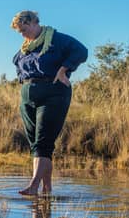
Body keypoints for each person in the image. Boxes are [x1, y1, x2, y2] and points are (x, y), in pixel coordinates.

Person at [11, 11, 87, 195]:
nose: (23, 34)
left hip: (53, 93)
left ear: (35, 22)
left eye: (24, 29)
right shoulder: (26, 48)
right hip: (29, 97)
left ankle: (33, 185)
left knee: (43, 143)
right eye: (20, 32)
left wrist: (63, 69)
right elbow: (17, 64)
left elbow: (81, 51)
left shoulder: (57, 40)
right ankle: (47, 188)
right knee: (37, 145)